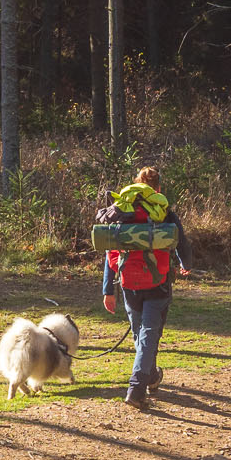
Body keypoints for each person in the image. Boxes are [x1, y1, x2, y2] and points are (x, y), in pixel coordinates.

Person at [101, 166, 192, 409]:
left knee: (141, 333)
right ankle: (137, 388)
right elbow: (181, 241)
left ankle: (151, 376)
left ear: (136, 185)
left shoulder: (122, 211)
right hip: (158, 282)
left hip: (128, 283)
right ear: (158, 189)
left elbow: (111, 250)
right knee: (149, 333)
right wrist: (186, 263)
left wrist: (108, 289)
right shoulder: (164, 212)